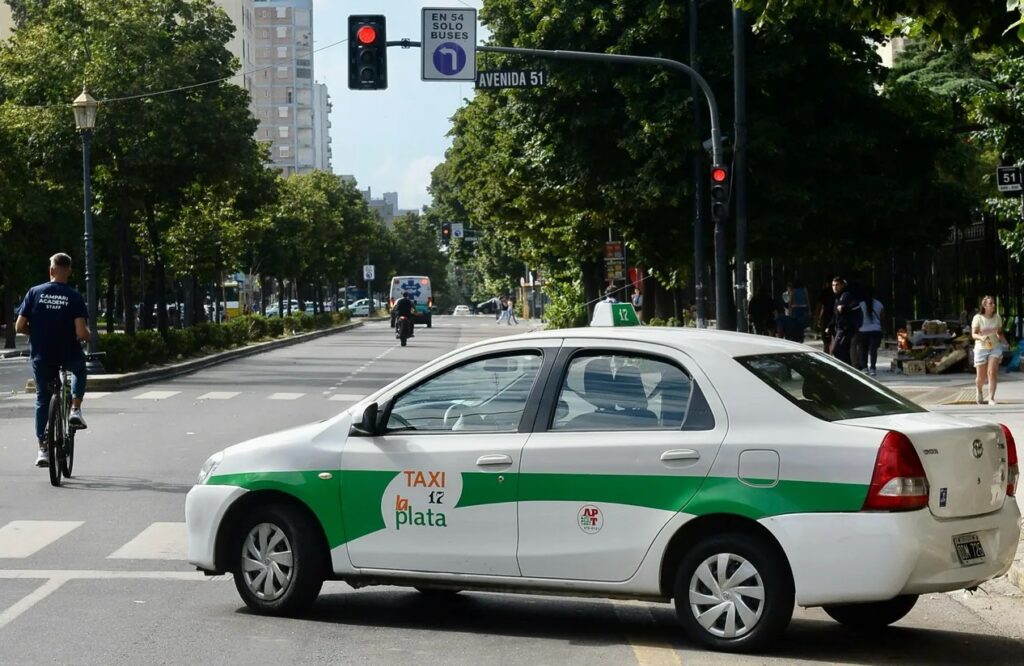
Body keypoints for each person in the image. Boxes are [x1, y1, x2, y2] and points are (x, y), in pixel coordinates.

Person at [14, 253, 90, 468]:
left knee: (42, 399)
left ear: (51, 270)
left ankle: (43, 449)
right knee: (79, 369)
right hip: (67, 352)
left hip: (42, 354)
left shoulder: (34, 293)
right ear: (70, 271)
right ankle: (75, 409)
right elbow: (81, 332)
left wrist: (36, 333)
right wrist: (88, 336)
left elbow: (19, 327)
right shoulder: (74, 296)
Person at [972, 295, 1007, 405]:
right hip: (981, 347)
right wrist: (981, 337)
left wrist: (1004, 341)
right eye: (990, 303)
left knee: (992, 372)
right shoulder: (978, 318)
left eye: (993, 303)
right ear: (984, 306)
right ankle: (979, 390)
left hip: (994, 347)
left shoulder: (997, 317)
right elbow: (973, 334)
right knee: (981, 377)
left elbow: (999, 332)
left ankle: (991, 398)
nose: (993, 305)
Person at [829, 277, 860, 364]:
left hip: (845, 328)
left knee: (836, 350)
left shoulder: (846, 295)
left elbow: (855, 305)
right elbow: (836, 315)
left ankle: (847, 367)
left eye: (837, 285)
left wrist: (844, 307)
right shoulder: (837, 298)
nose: (834, 287)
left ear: (842, 285)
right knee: (844, 351)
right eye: (833, 285)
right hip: (840, 328)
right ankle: (848, 368)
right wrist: (829, 326)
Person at [858, 287, 884, 376]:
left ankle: (864, 368)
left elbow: (858, 318)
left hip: (862, 330)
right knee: (873, 351)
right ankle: (873, 368)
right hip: (876, 330)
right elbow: (882, 318)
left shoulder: (860, 304)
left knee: (863, 350)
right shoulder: (879, 304)